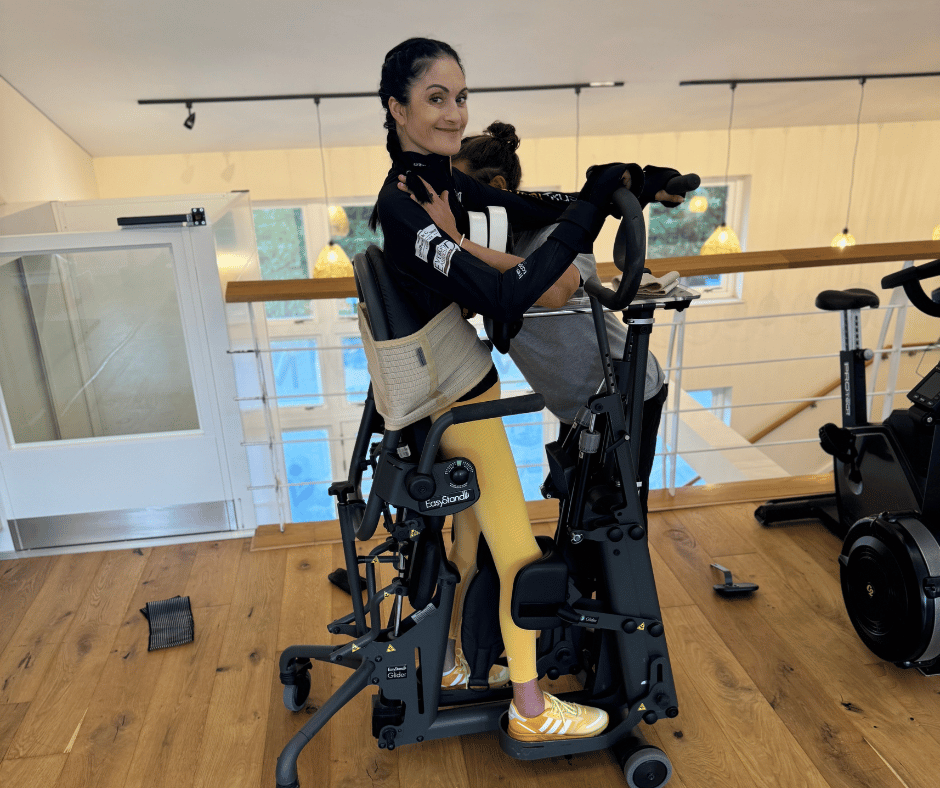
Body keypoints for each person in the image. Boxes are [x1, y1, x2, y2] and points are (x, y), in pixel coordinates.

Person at [368, 37, 646, 742]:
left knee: (468, 541)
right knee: (517, 552)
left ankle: (463, 662)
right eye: (436, 98)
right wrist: (587, 209)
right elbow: (505, 290)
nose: (455, 113)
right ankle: (529, 709)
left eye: (461, 97)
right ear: (397, 108)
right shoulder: (404, 205)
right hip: (457, 394)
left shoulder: (436, 184)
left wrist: (607, 189)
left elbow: (518, 201)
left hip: (449, 389)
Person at [450, 122, 686, 515]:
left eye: (460, 191)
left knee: (615, 520)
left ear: (497, 187)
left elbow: (552, 290)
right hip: (576, 408)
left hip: (624, 394)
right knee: (574, 512)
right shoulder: (491, 247)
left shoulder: (558, 231)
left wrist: (461, 245)